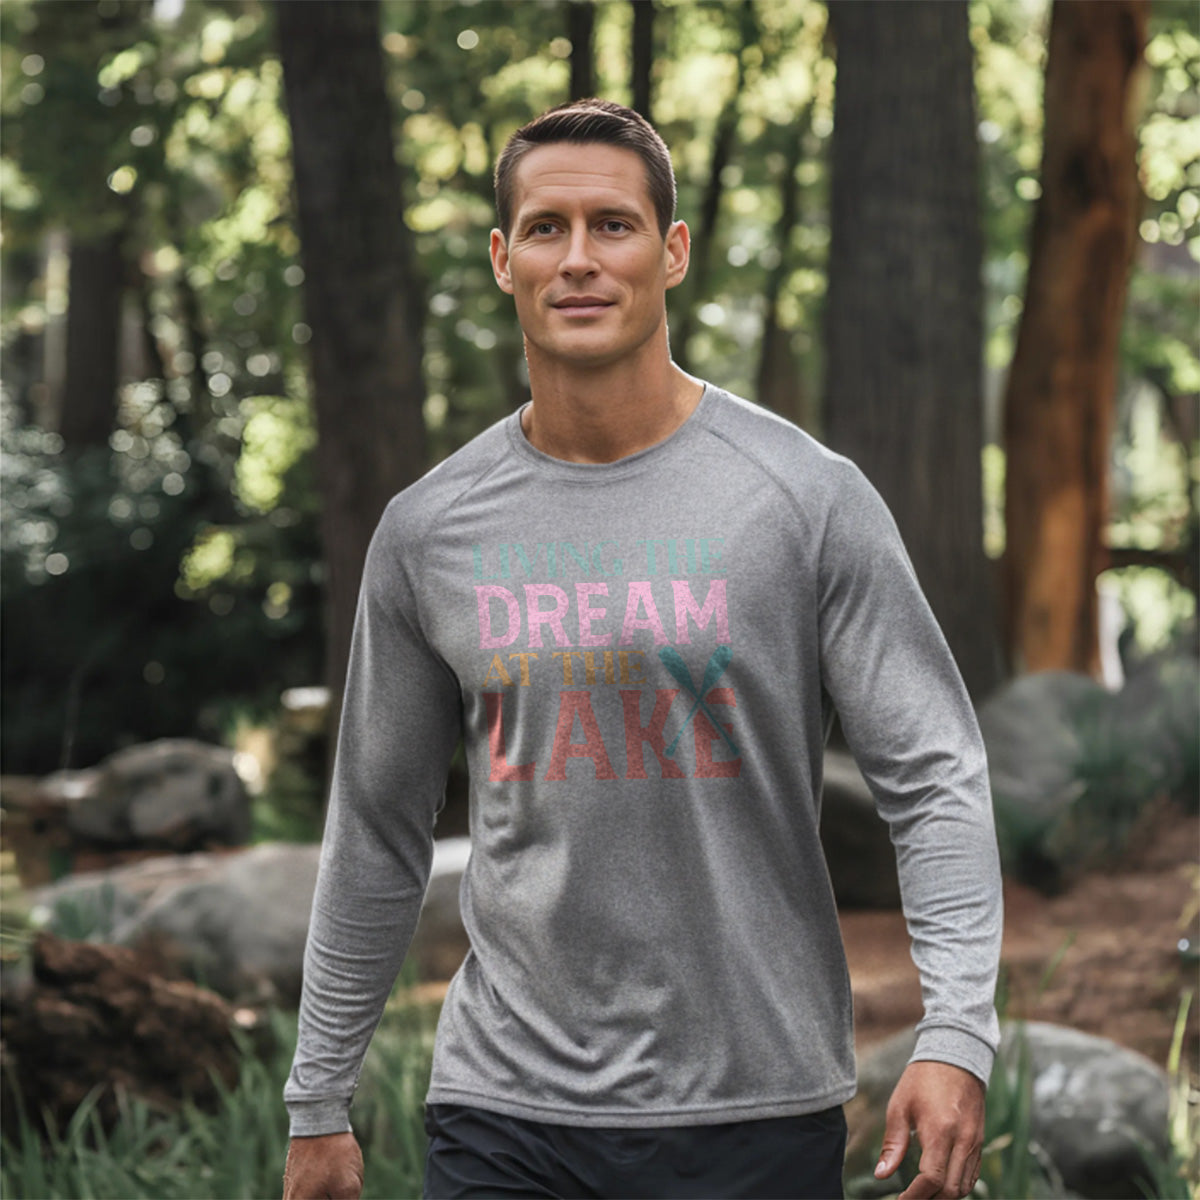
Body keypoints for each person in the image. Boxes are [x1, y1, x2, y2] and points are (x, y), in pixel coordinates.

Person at [282, 99, 1002, 1200]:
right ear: (503, 258)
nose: (578, 259)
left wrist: (956, 1032)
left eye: (612, 226)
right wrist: (319, 1096)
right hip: (504, 1108)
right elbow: (378, 826)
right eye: (546, 228)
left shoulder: (803, 499)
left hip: (754, 1103)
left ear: (671, 252)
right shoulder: (429, 531)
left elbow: (934, 772)